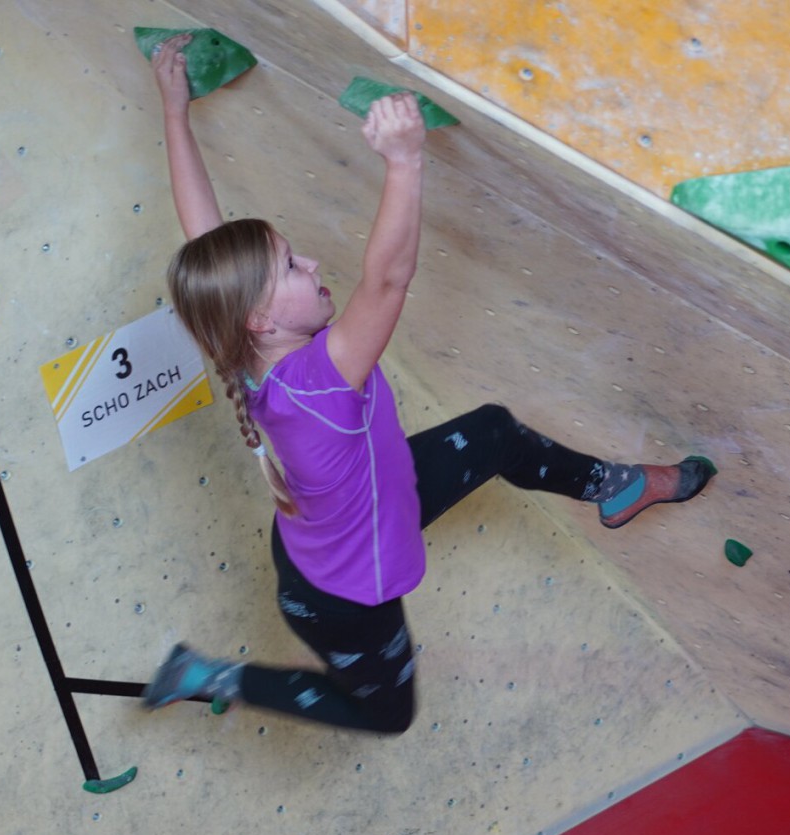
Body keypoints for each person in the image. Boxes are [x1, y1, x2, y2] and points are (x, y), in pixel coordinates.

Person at [139, 35, 715, 734]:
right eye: (292, 266)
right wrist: (404, 160)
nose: (311, 262)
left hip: (344, 517)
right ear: (261, 318)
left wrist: (174, 111)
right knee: (387, 716)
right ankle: (213, 676)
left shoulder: (242, 341)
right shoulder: (320, 381)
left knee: (494, 433)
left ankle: (612, 488)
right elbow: (388, 280)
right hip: (340, 597)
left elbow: (204, 238)